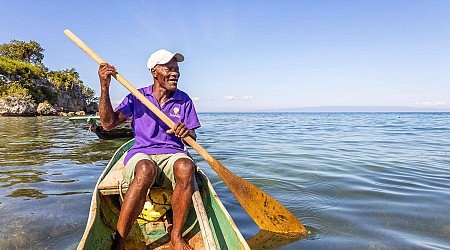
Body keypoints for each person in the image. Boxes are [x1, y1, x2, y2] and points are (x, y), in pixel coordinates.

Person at [98, 49, 201, 250]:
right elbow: (108, 124)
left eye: (177, 69)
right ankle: (120, 239)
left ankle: (176, 236)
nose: (175, 73)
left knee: (186, 167)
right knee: (145, 169)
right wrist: (104, 87)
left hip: (173, 153)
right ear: (154, 72)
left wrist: (186, 132)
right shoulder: (137, 97)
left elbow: (193, 140)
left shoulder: (184, 99)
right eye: (168, 68)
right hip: (142, 153)